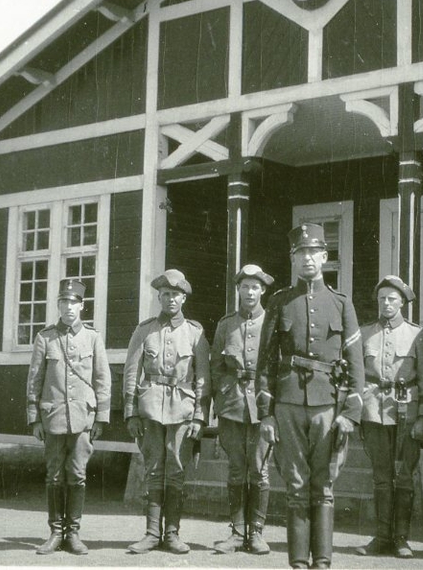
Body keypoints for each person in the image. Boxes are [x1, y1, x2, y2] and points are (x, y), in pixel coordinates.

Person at [257, 223, 365, 569]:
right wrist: (266, 412)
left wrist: (351, 413)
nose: (307, 258)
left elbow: (355, 362)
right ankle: (298, 563)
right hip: (288, 403)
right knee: (295, 483)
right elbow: (265, 361)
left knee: (324, 485)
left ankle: (322, 562)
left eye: (313, 252)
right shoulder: (279, 302)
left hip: (328, 405)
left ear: (324, 257)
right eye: (300, 253)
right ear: (293, 259)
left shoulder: (341, 303)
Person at [123, 269, 210, 555]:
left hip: (183, 410)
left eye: (175, 294)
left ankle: (172, 534)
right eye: (165, 294)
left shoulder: (195, 333)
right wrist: (131, 412)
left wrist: (200, 416)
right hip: (149, 410)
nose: (170, 299)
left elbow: (203, 378)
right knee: (153, 470)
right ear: (159, 297)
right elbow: (132, 372)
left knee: (176, 471)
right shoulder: (144, 330)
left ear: (184, 298)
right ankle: (151, 534)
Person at [25, 278, 111, 556]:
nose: (69, 307)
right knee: (54, 476)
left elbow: (102, 379)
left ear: (82, 306)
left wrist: (101, 418)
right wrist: (34, 418)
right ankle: (55, 533)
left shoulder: (93, 337)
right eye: (64, 301)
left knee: (77, 475)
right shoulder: (45, 338)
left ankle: (73, 534)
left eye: (74, 302)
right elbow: (35, 379)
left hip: (83, 419)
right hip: (53, 418)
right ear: (58, 305)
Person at [356, 275, 423, 559]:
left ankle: (401, 539)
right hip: (373, 411)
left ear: (402, 303)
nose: (386, 303)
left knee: (404, 476)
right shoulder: (365, 333)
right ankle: (382, 536)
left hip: (406, 412)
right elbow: (357, 375)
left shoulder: (416, 335)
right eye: (382, 299)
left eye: (392, 299)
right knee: (381, 477)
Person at [211, 264, 277, 555]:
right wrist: (219, 400)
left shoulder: (272, 322)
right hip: (232, 404)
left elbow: (277, 365)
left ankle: (257, 533)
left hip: (263, 404)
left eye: (255, 287)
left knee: (260, 470)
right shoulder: (226, 324)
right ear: (238, 290)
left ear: (263, 290)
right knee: (237, 469)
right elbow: (216, 367)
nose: (250, 292)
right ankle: (238, 533)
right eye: (245, 287)